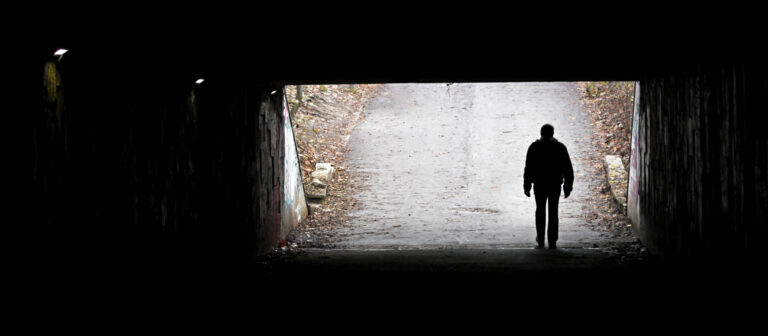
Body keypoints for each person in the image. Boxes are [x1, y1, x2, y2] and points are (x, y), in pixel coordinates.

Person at [523, 124, 574, 249]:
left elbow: (528, 168)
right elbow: (568, 169)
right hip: (554, 184)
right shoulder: (560, 148)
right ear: (553, 133)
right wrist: (568, 187)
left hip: (539, 184)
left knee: (540, 210)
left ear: (541, 133)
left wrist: (527, 185)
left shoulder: (534, 147)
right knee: (553, 211)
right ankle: (552, 240)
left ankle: (540, 238)